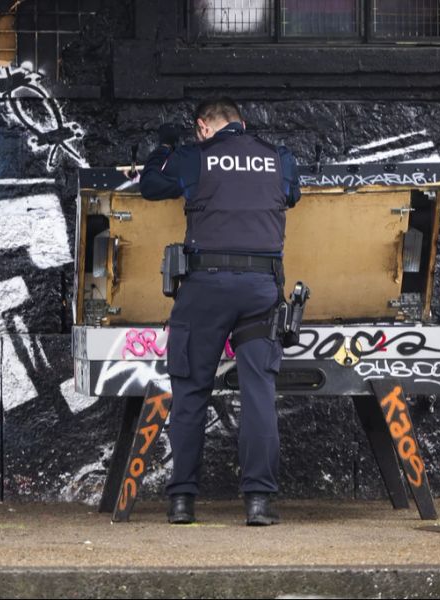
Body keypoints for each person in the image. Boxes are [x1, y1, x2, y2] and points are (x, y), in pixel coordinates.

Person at [139, 98, 301, 526]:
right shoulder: (276, 157)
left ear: (202, 127)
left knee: (191, 391)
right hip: (260, 290)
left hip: (205, 288)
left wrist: (165, 146)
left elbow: (151, 185)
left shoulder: (195, 156)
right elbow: (294, 193)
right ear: (242, 124)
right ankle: (260, 503)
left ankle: (181, 502)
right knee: (258, 394)